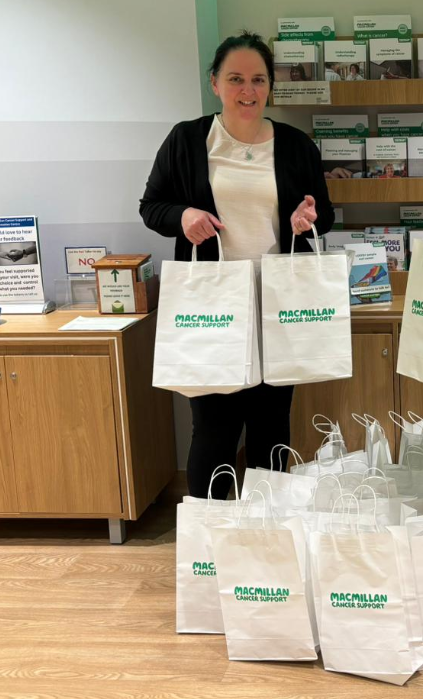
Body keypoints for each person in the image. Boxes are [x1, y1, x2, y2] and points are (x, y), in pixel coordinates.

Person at [139, 31, 333, 500]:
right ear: (215, 83)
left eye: (258, 80)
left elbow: (323, 213)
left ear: (270, 86)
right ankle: (211, 533)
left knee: (271, 425)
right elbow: (152, 206)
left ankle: (267, 531)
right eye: (236, 79)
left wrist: (307, 217)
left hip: (278, 306)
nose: (248, 90)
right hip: (213, 306)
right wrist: (183, 216)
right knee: (214, 429)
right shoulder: (188, 139)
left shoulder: (296, 145)